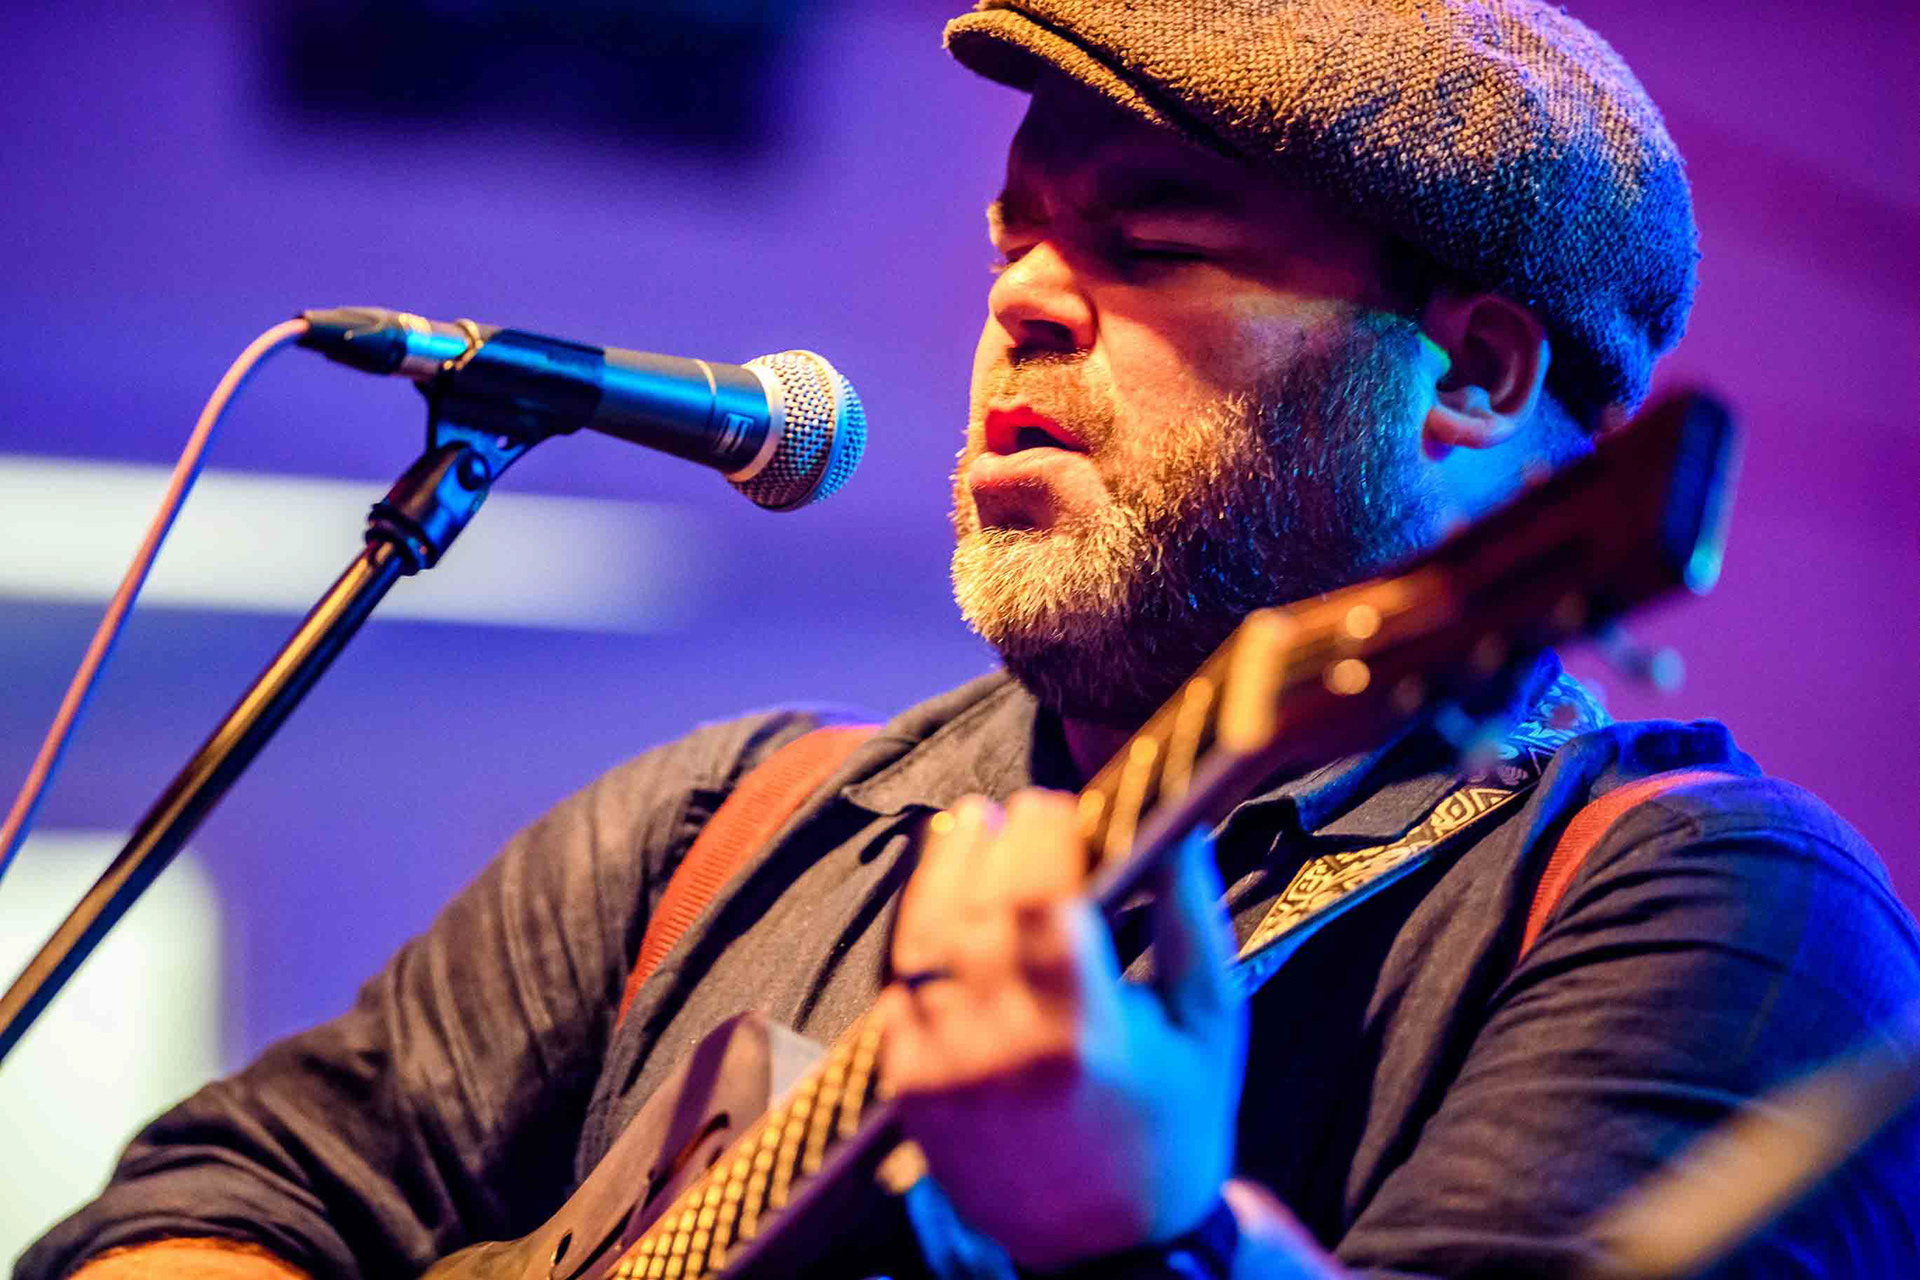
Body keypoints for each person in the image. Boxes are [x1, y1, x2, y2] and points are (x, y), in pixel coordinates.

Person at [19, 2, 1920, 1278]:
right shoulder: (717, 833)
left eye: (1151, 245)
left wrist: (1143, 1235)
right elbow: (215, 1192)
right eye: (1019, 232)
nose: (1023, 298)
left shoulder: (1719, 921)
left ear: (1478, 378)